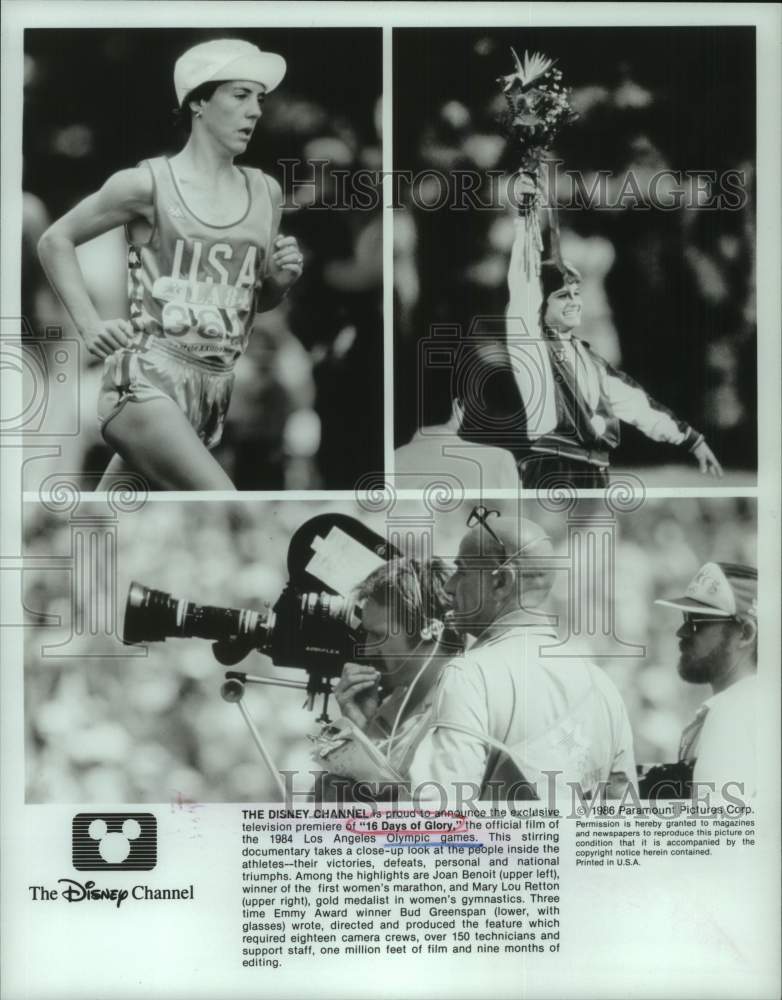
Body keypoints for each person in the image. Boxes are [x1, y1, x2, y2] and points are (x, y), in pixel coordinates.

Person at [37, 38, 303, 490]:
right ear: (198, 101)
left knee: (113, 533)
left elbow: (251, 303)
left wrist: (280, 282)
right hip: (147, 383)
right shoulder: (145, 184)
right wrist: (90, 325)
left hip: (213, 395)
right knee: (229, 508)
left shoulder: (266, 192)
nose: (255, 111)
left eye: (259, 98)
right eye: (240, 95)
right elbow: (54, 239)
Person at [497, 173, 723, 488]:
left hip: (600, 319)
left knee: (606, 391)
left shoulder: (599, 239)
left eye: (570, 205)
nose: (567, 210)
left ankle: (605, 454)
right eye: (561, 205)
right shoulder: (555, 244)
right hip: (566, 325)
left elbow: (634, 200)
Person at [406, 508, 638, 803]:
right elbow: (625, 819)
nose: (450, 587)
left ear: (501, 582)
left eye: (462, 571)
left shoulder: (470, 674)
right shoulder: (601, 683)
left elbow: (440, 816)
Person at [316, 557, 461, 800]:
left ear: (428, 629)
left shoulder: (459, 702)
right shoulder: (394, 698)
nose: (367, 649)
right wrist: (358, 726)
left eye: (378, 635)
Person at [653, 561, 758, 798]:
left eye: (698, 621)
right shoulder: (759, 703)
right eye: (685, 617)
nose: (682, 632)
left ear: (746, 633)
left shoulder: (733, 713)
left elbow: (720, 833)